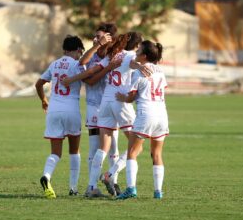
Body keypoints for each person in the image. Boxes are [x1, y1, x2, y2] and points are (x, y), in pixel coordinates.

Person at [61, 23, 123, 196]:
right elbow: (86, 71)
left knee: (114, 147)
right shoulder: (93, 55)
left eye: (100, 36)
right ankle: (92, 186)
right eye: (95, 36)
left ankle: (113, 181)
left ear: (109, 38)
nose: (96, 39)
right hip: (94, 106)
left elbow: (93, 75)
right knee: (95, 147)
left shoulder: (115, 56)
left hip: (111, 106)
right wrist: (97, 45)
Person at [86, 32, 145, 197]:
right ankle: (110, 174)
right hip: (120, 102)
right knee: (137, 145)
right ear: (136, 45)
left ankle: (91, 187)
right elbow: (133, 63)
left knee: (103, 147)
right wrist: (140, 66)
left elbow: (95, 69)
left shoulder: (113, 55)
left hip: (105, 102)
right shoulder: (132, 55)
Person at [115, 40, 169, 200]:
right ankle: (158, 192)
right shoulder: (160, 71)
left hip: (146, 114)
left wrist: (122, 97)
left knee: (132, 152)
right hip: (162, 115)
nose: (136, 53)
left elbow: (131, 98)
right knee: (157, 154)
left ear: (144, 56)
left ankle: (131, 189)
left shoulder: (138, 73)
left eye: (138, 51)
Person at [35, 35, 85, 199]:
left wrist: (44, 100)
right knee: (74, 150)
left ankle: (47, 176)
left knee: (56, 152)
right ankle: (73, 188)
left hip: (54, 111)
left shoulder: (54, 64)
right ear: (78, 50)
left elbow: (39, 84)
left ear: (64, 49)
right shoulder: (78, 65)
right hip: (71, 110)